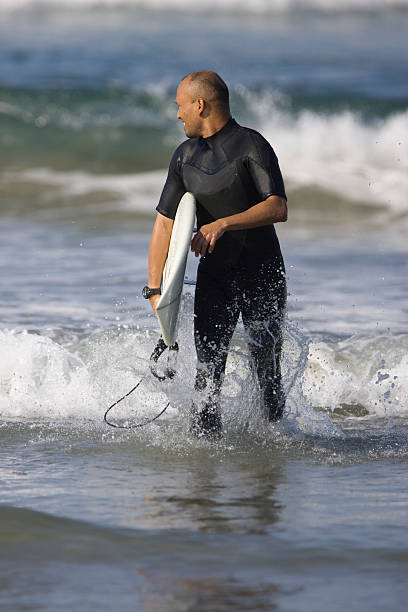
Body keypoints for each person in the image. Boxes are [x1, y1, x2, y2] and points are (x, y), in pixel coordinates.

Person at [144, 71, 287, 439]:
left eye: (180, 106)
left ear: (200, 105)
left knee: (267, 375)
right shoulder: (184, 157)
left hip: (262, 273)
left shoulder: (252, 146)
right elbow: (164, 224)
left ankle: (272, 456)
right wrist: (154, 288)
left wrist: (223, 223)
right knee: (207, 377)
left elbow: (277, 207)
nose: (178, 115)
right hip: (215, 278)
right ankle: (204, 466)